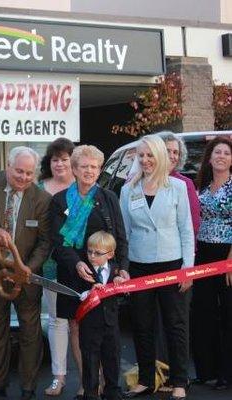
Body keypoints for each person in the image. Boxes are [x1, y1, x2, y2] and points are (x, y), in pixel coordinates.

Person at [0, 146, 52, 400]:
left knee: (30, 331)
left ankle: (28, 388)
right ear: (8, 167)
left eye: (29, 173)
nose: (24, 177)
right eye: (19, 172)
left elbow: (45, 242)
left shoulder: (42, 199)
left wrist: (29, 268)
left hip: (25, 275)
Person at [50, 145, 129, 400]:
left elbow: (120, 239)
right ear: (74, 169)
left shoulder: (108, 198)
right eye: (83, 166)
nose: (89, 171)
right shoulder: (59, 201)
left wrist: (122, 270)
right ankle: (88, 384)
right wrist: (76, 263)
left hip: (105, 275)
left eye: (94, 166)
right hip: (74, 272)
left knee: (107, 333)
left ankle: (109, 383)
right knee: (77, 327)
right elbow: (58, 243)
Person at [120, 134, 194, 400]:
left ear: (161, 156)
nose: (145, 160)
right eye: (141, 155)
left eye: (150, 155)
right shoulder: (128, 189)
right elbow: (124, 234)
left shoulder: (177, 187)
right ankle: (145, 379)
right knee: (142, 324)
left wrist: (188, 268)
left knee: (176, 325)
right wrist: (123, 267)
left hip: (171, 264)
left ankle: (179, 380)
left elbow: (186, 230)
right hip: (139, 266)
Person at [191, 136, 232, 390]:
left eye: (226, 153)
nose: (221, 157)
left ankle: (227, 374)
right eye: (217, 152)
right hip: (202, 254)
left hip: (227, 256)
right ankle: (206, 371)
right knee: (203, 313)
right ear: (210, 157)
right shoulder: (201, 185)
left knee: (228, 315)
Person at [37, 138, 75, 397]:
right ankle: (58, 377)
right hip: (50, 263)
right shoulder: (39, 189)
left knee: (82, 323)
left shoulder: (85, 187)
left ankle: (91, 377)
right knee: (56, 320)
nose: (60, 164)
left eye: (64, 158)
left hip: (83, 264)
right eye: (55, 159)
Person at [79, 231, 127, 400]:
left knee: (112, 357)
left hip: (111, 323)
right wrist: (89, 293)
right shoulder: (84, 271)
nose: (92, 256)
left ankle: (112, 389)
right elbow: (78, 295)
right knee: (90, 359)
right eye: (89, 251)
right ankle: (90, 393)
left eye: (98, 253)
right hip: (90, 324)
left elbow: (123, 296)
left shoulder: (115, 270)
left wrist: (120, 286)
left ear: (111, 254)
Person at [162, 132, 200, 240]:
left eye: (175, 152)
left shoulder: (185, 184)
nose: (172, 156)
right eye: (167, 151)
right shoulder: (144, 181)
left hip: (177, 251)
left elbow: (193, 224)